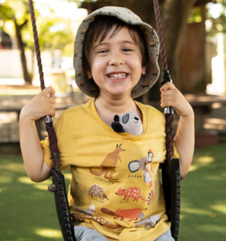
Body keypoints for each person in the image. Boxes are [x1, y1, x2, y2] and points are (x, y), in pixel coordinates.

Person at [19, 6, 194, 241]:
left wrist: (188, 116)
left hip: (152, 228)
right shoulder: (72, 122)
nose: (116, 59)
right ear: (88, 68)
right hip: (94, 229)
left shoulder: (155, 119)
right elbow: (37, 171)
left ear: (144, 65)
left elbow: (179, 168)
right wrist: (26, 118)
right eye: (103, 51)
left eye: (127, 49)